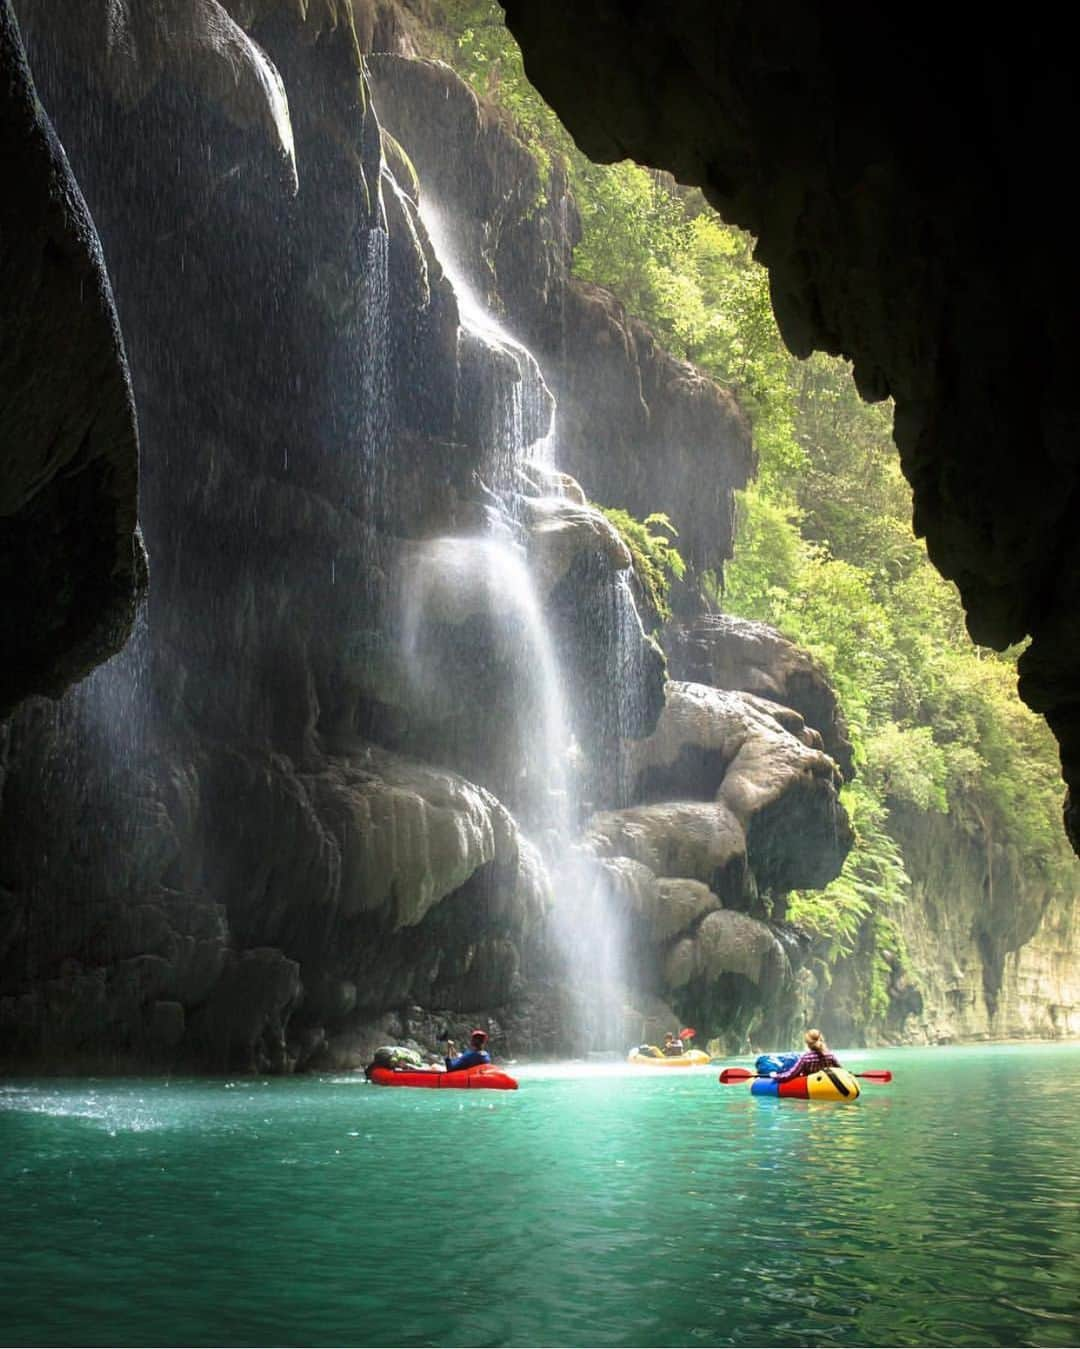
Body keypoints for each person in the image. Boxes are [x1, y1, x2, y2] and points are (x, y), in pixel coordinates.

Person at [771, 1028, 841, 1082]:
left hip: (809, 1088)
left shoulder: (806, 1057)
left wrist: (776, 1076)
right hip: (827, 1085)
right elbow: (841, 1070)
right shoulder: (830, 1055)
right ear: (821, 1040)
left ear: (808, 1044)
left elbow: (791, 1074)